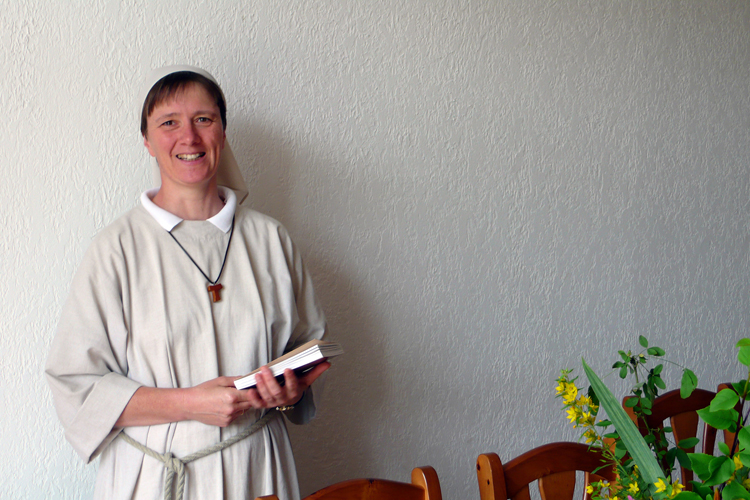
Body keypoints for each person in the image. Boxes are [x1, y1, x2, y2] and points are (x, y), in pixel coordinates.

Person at [45, 65, 329, 500]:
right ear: (147, 141)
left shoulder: (271, 240)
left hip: (258, 470)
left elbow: (308, 349)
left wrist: (290, 391)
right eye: (169, 123)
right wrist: (189, 403)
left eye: (203, 119)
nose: (189, 137)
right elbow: (76, 382)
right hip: (156, 476)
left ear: (222, 132)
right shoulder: (116, 249)